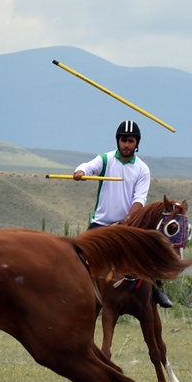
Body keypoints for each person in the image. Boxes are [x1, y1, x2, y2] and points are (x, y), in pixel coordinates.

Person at [73, 120, 172, 308]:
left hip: (127, 225)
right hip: (101, 224)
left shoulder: (142, 169)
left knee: (148, 251)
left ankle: (157, 289)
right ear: (118, 141)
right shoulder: (105, 159)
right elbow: (89, 166)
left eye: (131, 141)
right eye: (123, 140)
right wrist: (80, 171)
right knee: (79, 253)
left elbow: (139, 199)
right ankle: (78, 291)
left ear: (137, 144)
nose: (126, 144)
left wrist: (130, 219)